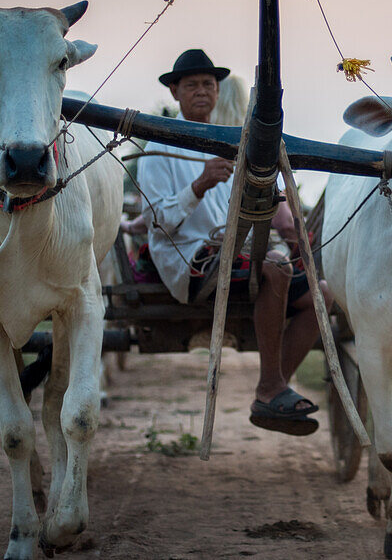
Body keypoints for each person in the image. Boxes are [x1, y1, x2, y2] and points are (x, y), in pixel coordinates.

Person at [136, 49, 330, 436]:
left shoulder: (232, 144)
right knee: (274, 266)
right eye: (191, 85)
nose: (202, 92)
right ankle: (270, 387)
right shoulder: (158, 148)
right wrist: (199, 185)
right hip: (191, 261)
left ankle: (271, 390)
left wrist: (273, 202)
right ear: (174, 92)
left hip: (235, 254)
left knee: (321, 294)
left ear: (219, 91)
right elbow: (156, 225)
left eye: (209, 84)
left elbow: (266, 206)